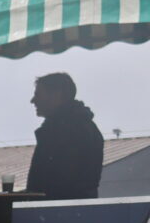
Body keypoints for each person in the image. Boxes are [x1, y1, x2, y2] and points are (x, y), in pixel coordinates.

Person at [25, 72, 105, 200]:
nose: (33, 100)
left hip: (57, 209)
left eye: (38, 95)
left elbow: (56, 183)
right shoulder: (82, 127)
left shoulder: (67, 131)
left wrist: (32, 198)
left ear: (56, 95)